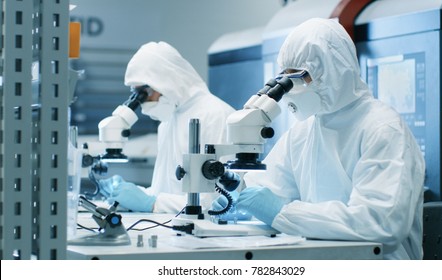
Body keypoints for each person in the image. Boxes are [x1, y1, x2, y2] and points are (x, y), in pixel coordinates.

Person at [233, 18, 425, 260]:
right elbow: (266, 190)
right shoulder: (303, 131)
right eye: (286, 79)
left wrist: (283, 213)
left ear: (334, 70)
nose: (292, 90)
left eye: (300, 78)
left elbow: (380, 223)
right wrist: (235, 197)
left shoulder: (383, 129)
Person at [99, 41, 235, 213]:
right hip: (168, 231)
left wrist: (151, 203)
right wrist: (128, 194)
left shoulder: (217, 115)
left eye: (145, 93)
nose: (144, 102)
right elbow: (161, 193)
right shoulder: (168, 121)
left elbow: (220, 202)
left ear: (167, 81)